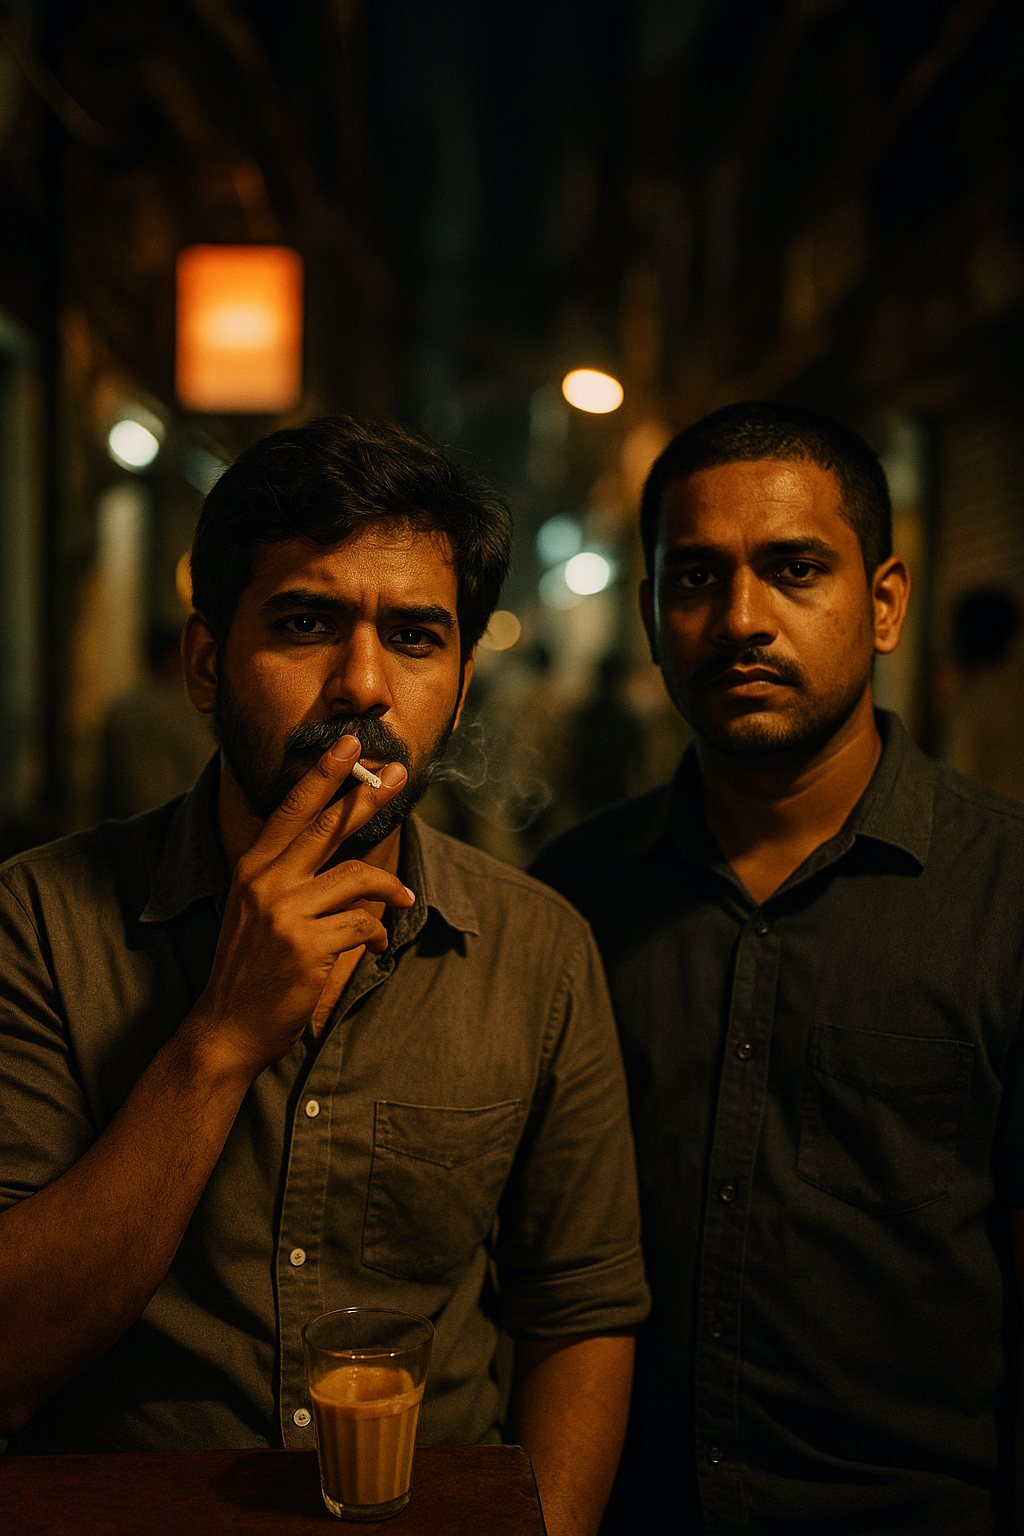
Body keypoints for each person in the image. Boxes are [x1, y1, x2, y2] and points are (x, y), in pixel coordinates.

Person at [0, 417, 649, 1536]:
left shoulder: (537, 951)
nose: (361, 685)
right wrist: (219, 1038)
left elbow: (578, 1317)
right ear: (208, 662)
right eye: (306, 624)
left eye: (414, 636)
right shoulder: (40, 921)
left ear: (457, 678)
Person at [532, 399, 1024, 1534]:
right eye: (695, 579)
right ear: (650, 615)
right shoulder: (573, 901)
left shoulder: (1002, 896)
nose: (739, 620)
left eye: (793, 569)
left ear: (884, 602)